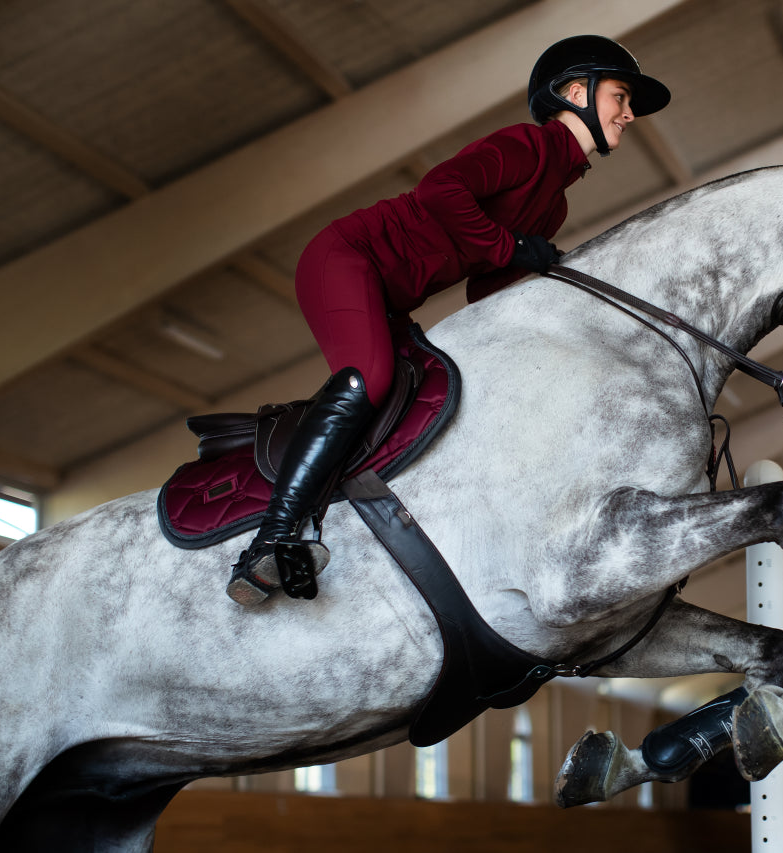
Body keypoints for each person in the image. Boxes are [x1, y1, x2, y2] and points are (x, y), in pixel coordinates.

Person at [226, 35, 671, 606]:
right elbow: (442, 189)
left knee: (420, 396)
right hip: (346, 258)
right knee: (372, 379)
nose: (629, 113)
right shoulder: (527, 146)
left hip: (389, 297)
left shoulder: (554, 203)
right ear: (576, 92)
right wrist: (511, 245)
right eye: (621, 96)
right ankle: (271, 537)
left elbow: (488, 290)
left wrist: (548, 293)